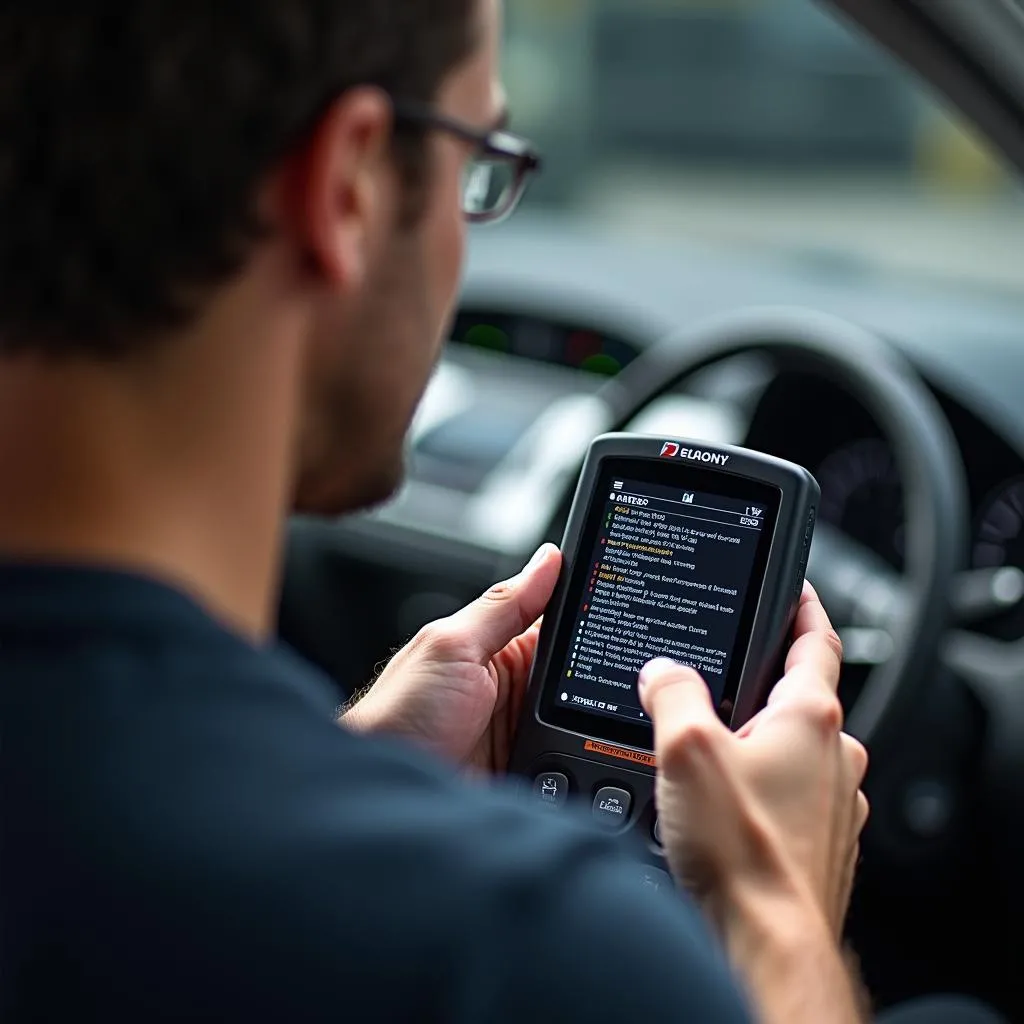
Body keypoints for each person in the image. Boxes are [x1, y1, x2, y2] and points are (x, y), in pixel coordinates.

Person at [0, 1, 971, 1021]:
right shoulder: (528, 945)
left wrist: (358, 770)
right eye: (477, 165)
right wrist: (775, 909)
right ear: (350, 189)